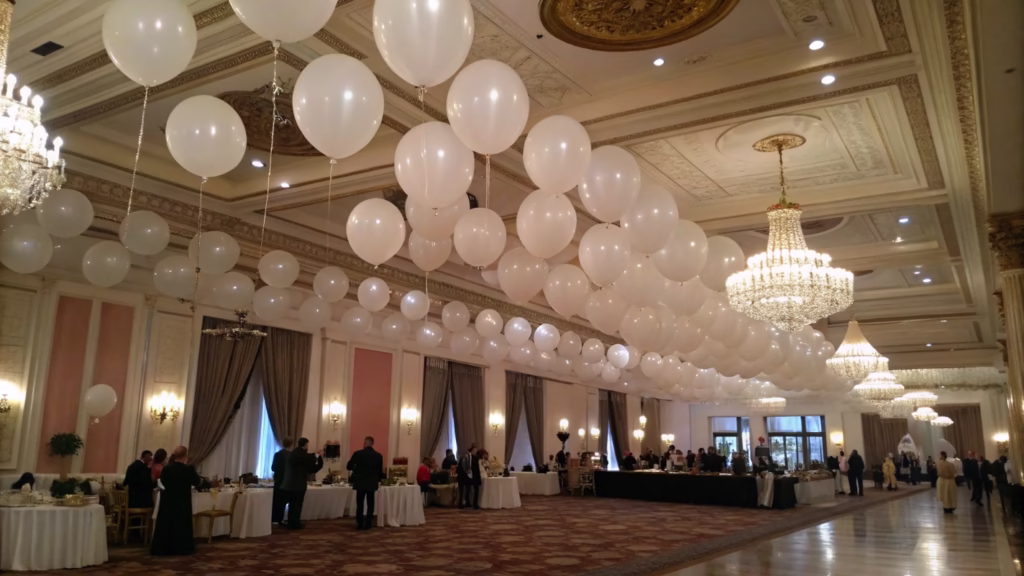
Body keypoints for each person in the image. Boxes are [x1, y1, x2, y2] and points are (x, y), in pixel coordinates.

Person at [151, 446, 201, 556]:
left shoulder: (167, 468)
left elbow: (163, 481)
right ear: (185, 456)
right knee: (181, 523)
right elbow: (197, 481)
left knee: (167, 523)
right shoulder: (189, 469)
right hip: (182, 500)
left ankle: (164, 548)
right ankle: (181, 548)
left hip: (168, 500)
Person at [281, 437, 323, 529]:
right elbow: (309, 461)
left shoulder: (295, 453)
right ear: (306, 445)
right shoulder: (300, 454)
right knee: (297, 504)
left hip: (292, 484)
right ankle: (295, 523)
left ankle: (292, 522)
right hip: (298, 484)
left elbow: (307, 459)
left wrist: (315, 456)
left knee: (293, 504)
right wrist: (317, 456)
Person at [348, 436, 384, 530]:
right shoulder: (378, 456)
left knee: (360, 504)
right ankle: (369, 523)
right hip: (372, 482)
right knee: (370, 503)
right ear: (372, 444)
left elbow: (349, 466)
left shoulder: (358, 454)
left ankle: (360, 523)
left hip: (360, 482)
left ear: (365, 443)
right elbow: (380, 472)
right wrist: (378, 480)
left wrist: (356, 469)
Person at [270, 437, 293, 526]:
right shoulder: (292, 455)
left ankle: (274, 519)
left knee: (277, 501)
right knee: (283, 501)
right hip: (288, 481)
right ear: (291, 445)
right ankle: (281, 518)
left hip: (279, 480)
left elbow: (273, 468)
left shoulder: (278, 454)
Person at [458, 443, 481, 509]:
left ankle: (466, 503)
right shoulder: (474, 458)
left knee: (466, 490)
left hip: (464, 476)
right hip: (472, 476)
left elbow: (460, 467)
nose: (476, 451)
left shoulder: (463, 457)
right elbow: (476, 469)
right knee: (474, 490)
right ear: (473, 450)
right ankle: (474, 504)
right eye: (475, 450)